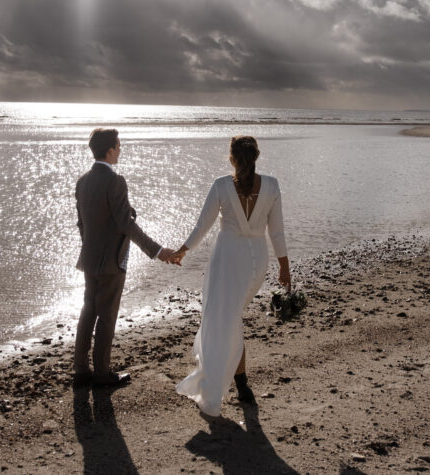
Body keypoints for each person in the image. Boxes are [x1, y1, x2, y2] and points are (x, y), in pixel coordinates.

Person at [171, 135, 290, 416]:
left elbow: (203, 225)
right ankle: (241, 383)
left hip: (227, 260)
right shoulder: (271, 185)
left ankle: (234, 382)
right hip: (256, 262)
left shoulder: (222, 186)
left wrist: (182, 250)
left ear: (232, 159)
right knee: (231, 318)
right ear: (256, 156)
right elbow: (277, 232)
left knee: (224, 319)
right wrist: (284, 266)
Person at [74, 128, 177, 387]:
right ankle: (102, 374)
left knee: (88, 311)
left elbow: (81, 224)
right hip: (111, 261)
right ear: (109, 150)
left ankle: (80, 370)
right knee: (107, 315)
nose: (120, 150)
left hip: (89, 258)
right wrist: (157, 250)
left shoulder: (83, 181)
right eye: (118, 146)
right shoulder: (115, 181)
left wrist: (90, 248)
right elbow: (125, 225)